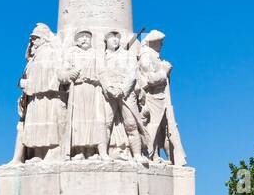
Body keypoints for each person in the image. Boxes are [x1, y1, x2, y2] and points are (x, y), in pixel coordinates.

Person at [10, 23, 65, 163]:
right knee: (37, 125)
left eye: (36, 38)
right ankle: (38, 153)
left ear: (44, 39)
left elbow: (49, 78)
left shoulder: (50, 53)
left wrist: (27, 84)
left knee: (48, 124)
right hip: (35, 97)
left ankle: (51, 153)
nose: (34, 41)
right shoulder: (36, 56)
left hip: (47, 96)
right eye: (33, 39)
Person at [137, 29, 185, 164]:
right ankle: (148, 153)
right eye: (160, 42)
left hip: (160, 96)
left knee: (163, 129)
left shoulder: (154, 56)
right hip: (153, 96)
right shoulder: (146, 56)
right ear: (153, 42)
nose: (161, 44)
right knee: (154, 125)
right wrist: (164, 71)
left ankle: (156, 155)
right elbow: (150, 79)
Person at [59, 30, 106, 159]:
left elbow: (103, 71)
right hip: (77, 89)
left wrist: (98, 80)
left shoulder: (96, 53)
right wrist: (69, 74)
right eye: (81, 37)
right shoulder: (71, 53)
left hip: (93, 89)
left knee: (93, 120)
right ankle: (79, 150)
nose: (84, 39)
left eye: (87, 37)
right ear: (76, 40)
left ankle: (91, 150)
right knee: (77, 120)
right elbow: (62, 72)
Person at [100, 30, 144, 162]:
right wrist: (109, 88)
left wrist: (122, 89)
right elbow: (101, 73)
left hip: (125, 93)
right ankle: (104, 154)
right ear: (106, 41)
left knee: (131, 124)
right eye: (111, 38)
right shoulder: (102, 57)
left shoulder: (128, 55)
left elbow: (132, 74)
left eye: (117, 38)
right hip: (109, 93)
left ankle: (137, 154)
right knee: (106, 123)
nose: (115, 40)